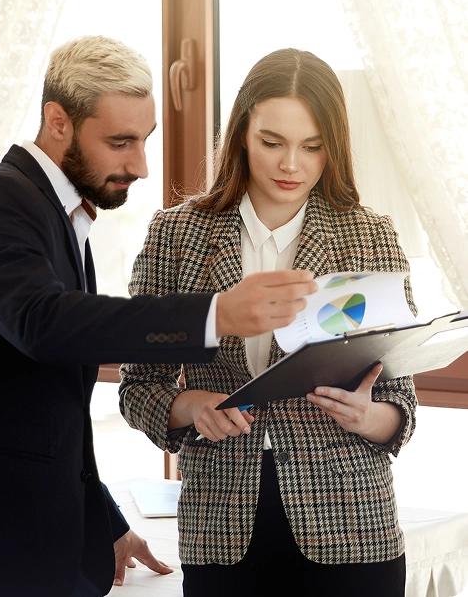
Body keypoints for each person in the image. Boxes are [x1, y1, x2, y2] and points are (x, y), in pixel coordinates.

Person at [0, 37, 317, 597]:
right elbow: (47, 325)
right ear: (57, 121)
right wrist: (216, 314)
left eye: (144, 141)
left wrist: (104, 521)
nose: (139, 164)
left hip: (31, 547)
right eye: (120, 142)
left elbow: (50, 408)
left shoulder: (59, 216)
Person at [119, 48, 418, 597]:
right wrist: (191, 407)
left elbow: (401, 408)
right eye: (272, 142)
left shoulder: (370, 236)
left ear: (334, 147)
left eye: (312, 147)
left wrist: (366, 416)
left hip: (352, 528)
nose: (290, 165)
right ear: (240, 134)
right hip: (221, 528)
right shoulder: (175, 237)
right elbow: (138, 387)